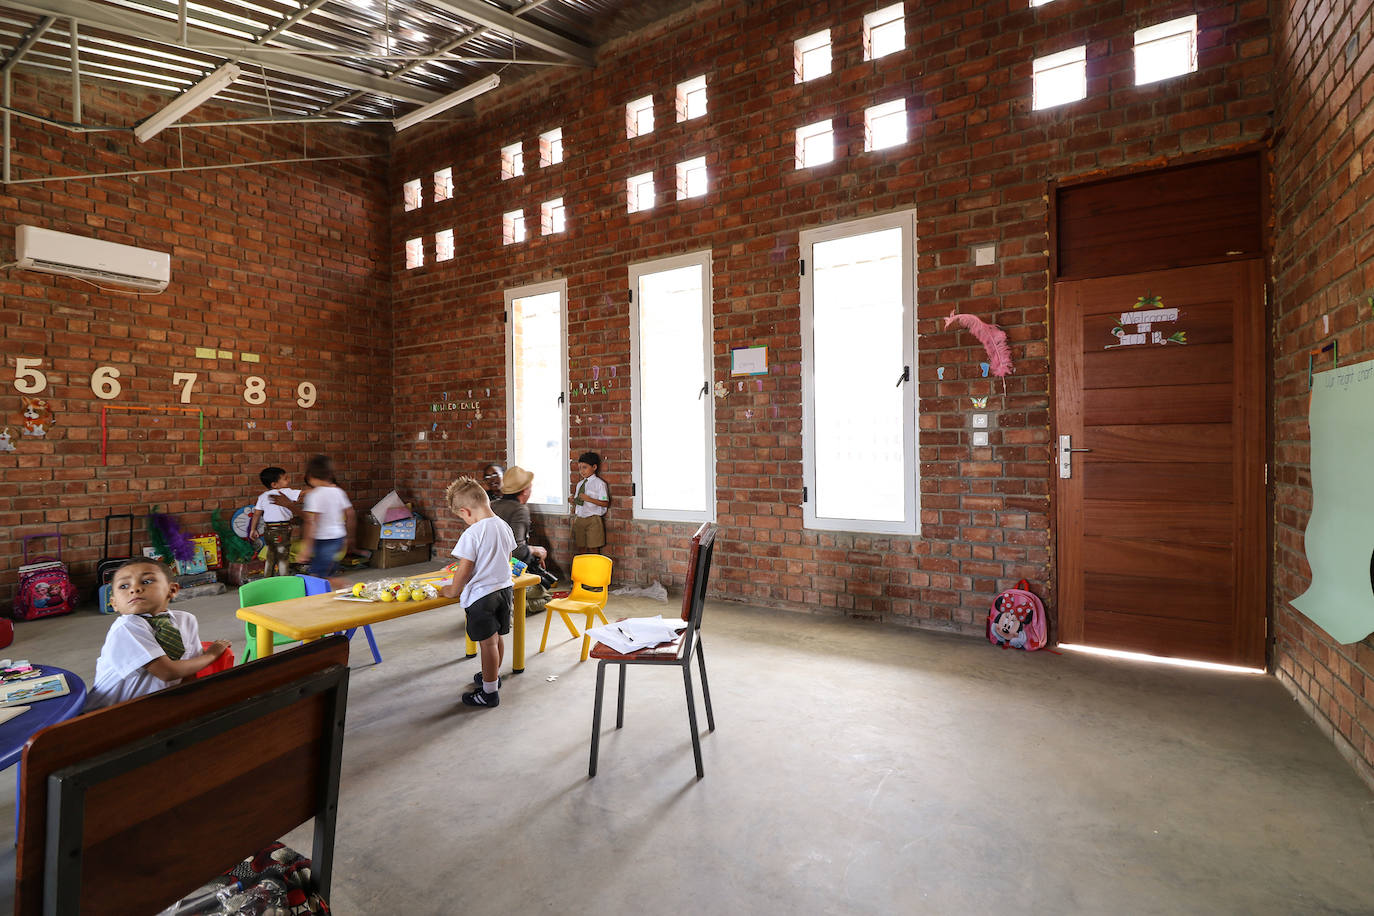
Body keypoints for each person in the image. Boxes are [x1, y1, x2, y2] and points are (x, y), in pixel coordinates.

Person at [86, 559, 231, 710]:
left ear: (172, 590)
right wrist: (212, 655)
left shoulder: (186, 620)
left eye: (147, 581)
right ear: (114, 603)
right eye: (124, 586)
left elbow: (189, 671)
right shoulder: (126, 628)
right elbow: (167, 672)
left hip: (156, 707)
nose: (134, 589)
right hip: (109, 712)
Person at [441, 477, 516, 708]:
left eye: (462, 517)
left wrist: (453, 590)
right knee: (497, 639)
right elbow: (507, 556)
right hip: (504, 590)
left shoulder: (473, 533)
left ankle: (489, 693)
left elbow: (465, 568)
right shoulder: (503, 525)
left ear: (466, 511)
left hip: (482, 596)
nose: (464, 521)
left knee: (487, 644)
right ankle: (492, 678)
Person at [491, 466, 559, 608]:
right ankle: (511, 605)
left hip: (489, 570)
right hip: (507, 572)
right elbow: (517, 550)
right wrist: (535, 550)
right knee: (546, 599)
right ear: (525, 491)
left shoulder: (493, 505)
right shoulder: (519, 509)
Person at [295, 454, 355, 590]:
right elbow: (350, 514)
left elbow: (311, 523)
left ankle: (350, 588)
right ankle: (328, 596)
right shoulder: (338, 492)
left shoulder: (315, 495)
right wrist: (350, 538)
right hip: (337, 538)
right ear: (329, 474)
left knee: (321, 576)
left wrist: (306, 548)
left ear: (310, 476)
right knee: (319, 573)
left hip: (324, 541)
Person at [247, 466, 301, 578]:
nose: (288, 480)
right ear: (274, 485)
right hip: (281, 529)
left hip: (268, 530)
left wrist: (253, 529)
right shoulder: (285, 492)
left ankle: (268, 577)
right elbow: (303, 494)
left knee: (271, 554)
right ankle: (284, 578)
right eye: (285, 479)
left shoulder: (262, 496)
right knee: (283, 554)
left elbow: (256, 514)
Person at [571, 451, 609, 555]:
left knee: (593, 549)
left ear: (594, 467)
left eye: (584, 467)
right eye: (579, 468)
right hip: (580, 519)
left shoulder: (600, 484)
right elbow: (579, 501)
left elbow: (605, 503)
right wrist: (572, 501)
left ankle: (594, 570)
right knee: (581, 548)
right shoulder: (579, 484)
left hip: (593, 520)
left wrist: (589, 499)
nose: (581, 471)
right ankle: (584, 570)